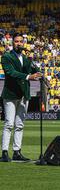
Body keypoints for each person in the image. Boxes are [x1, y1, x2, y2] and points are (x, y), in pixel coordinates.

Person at [1, 33, 42, 162]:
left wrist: (30, 61)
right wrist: (28, 77)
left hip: (24, 94)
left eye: (21, 41)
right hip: (11, 94)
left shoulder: (25, 57)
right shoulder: (6, 57)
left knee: (20, 125)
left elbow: (30, 70)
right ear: (12, 43)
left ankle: (17, 152)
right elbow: (11, 73)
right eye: (16, 41)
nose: (19, 43)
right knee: (9, 124)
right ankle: (4, 152)